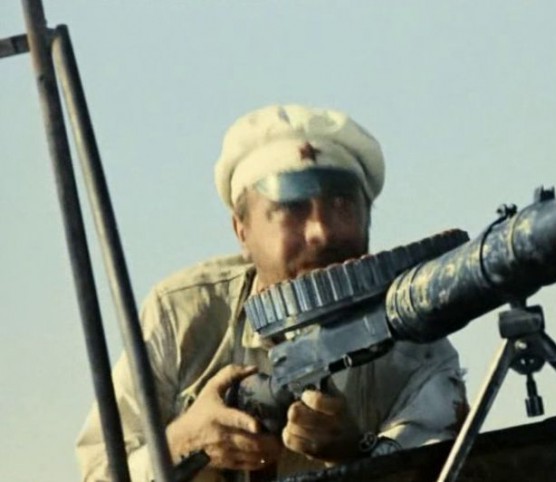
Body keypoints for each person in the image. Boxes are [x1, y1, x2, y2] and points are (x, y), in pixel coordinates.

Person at [76, 104, 468, 482]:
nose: (321, 232)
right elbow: (100, 471)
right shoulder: (182, 314)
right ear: (241, 230)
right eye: (291, 209)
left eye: (341, 205)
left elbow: (453, 467)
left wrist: (357, 456)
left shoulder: (414, 337)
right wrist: (185, 443)